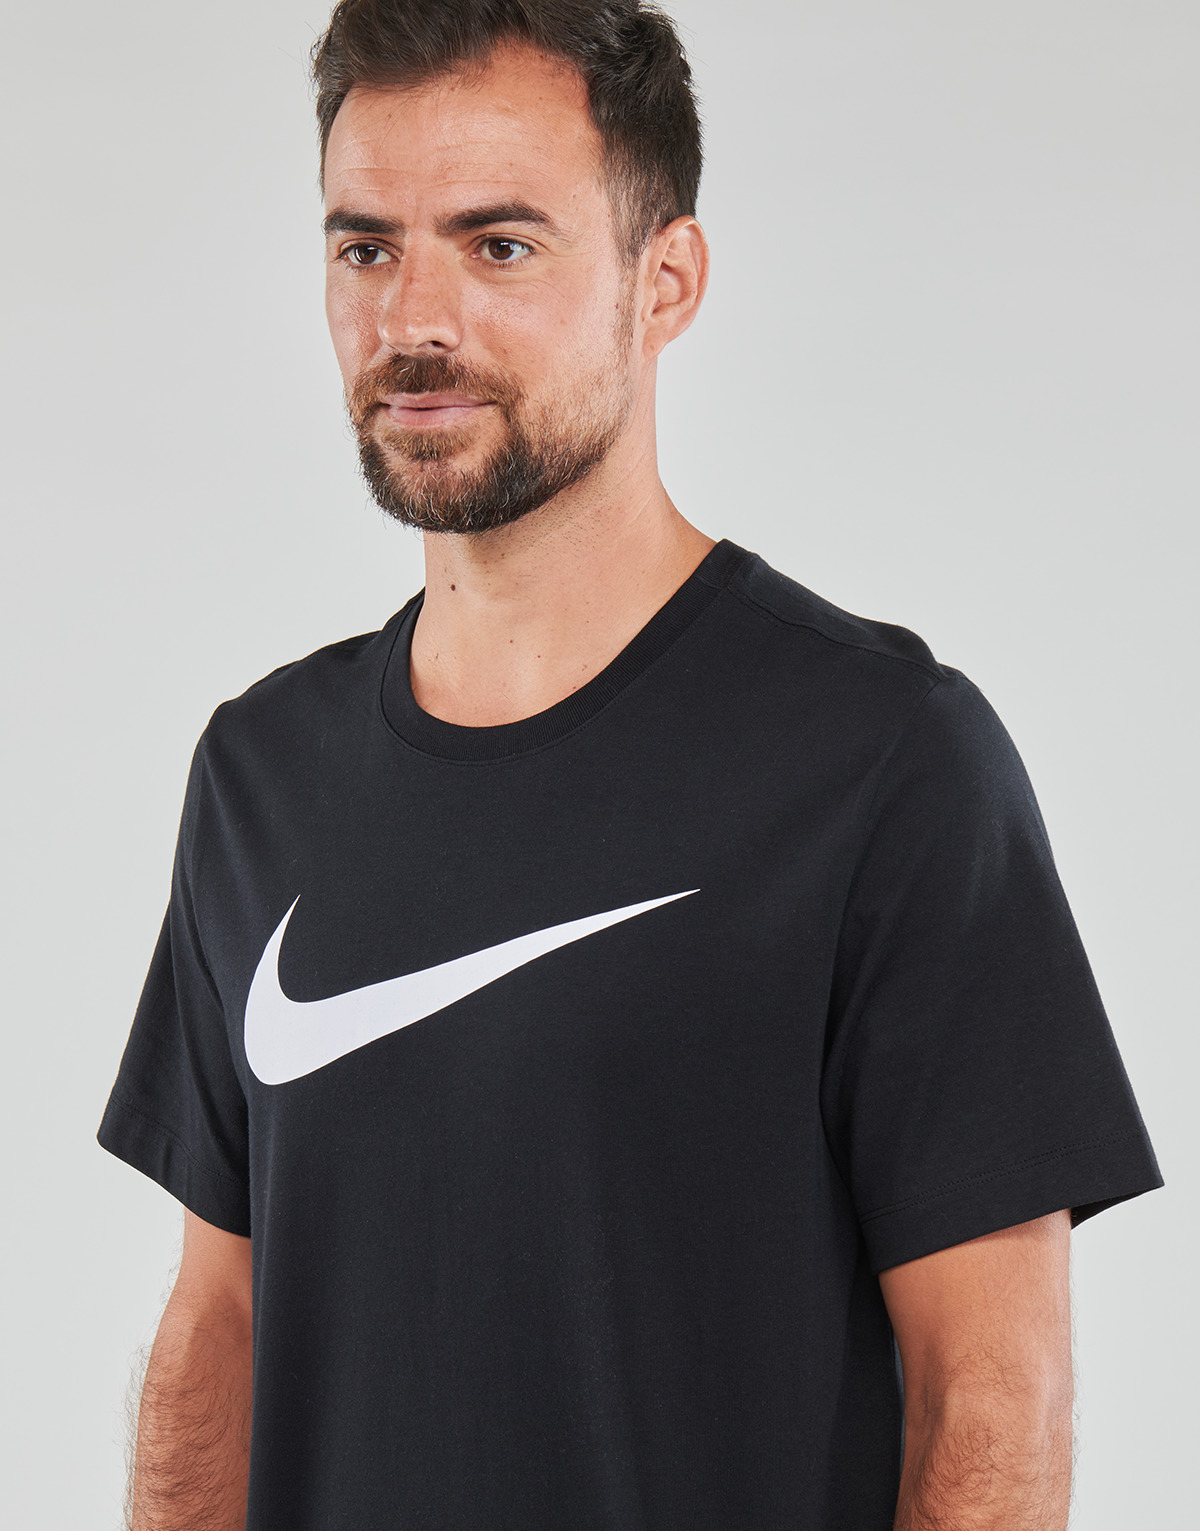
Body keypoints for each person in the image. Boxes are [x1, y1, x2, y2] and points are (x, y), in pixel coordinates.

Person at [96, 2, 1162, 1527]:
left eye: (500, 245)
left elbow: (994, 1392)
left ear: (667, 281)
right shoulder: (260, 775)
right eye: (366, 248)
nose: (414, 320)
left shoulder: (884, 761)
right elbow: (219, 1330)